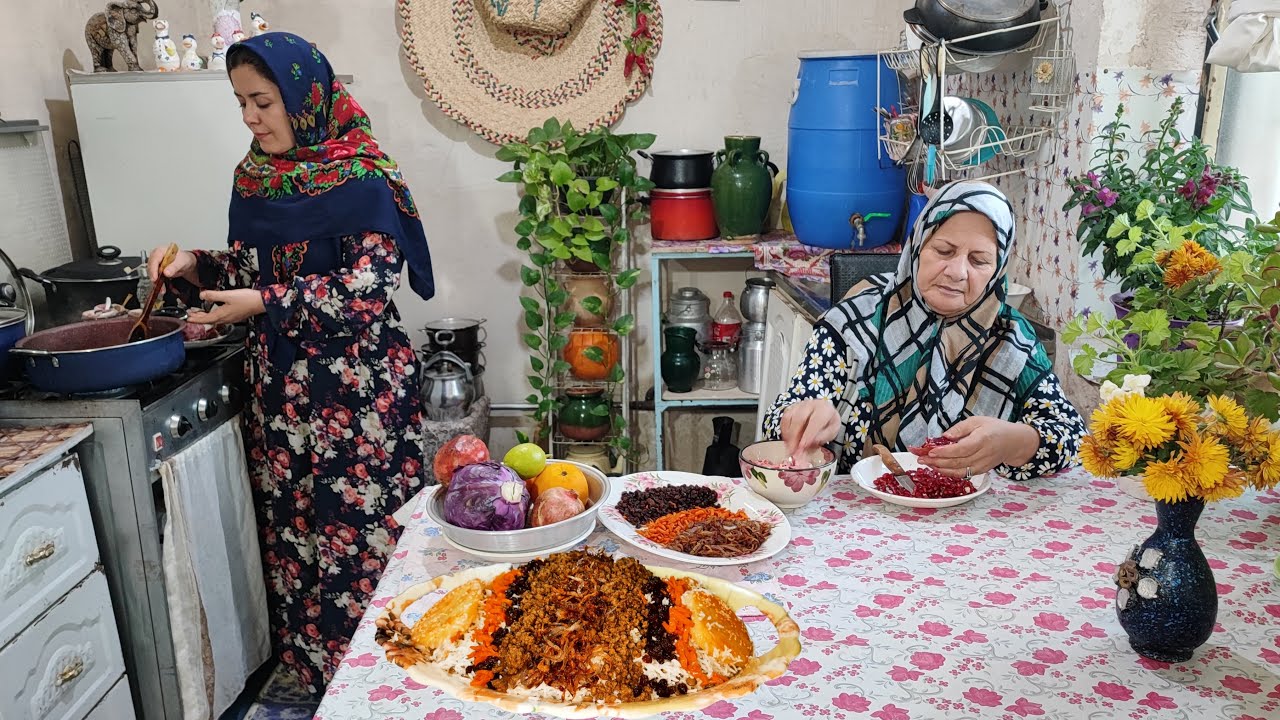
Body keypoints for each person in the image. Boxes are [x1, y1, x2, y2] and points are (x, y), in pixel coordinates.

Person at [146, 32, 434, 694]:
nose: (251, 118)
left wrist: (265, 302)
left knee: (365, 536)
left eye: (264, 102)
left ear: (305, 99)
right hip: (280, 393)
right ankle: (319, 679)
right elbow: (252, 268)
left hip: (357, 394)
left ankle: (383, 682)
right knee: (296, 535)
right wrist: (194, 266)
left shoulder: (362, 176)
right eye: (241, 103)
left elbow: (367, 288)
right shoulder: (255, 179)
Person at [763, 181, 1084, 481]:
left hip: (971, 517)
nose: (957, 272)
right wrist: (800, 419)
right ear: (917, 246)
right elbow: (775, 423)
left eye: (979, 261)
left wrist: (1014, 442)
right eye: (944, 251)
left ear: (997, 270)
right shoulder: (855, 320)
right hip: (857, 512)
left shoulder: (1011, 339)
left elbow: (1073, 438)